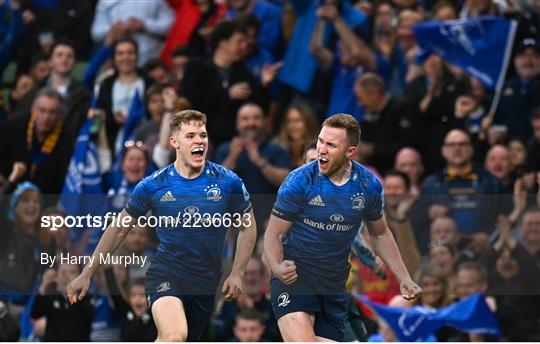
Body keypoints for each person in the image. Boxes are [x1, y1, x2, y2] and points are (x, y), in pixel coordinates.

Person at [67, 110, 257, 341]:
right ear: (174, 142)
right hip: (166, 273)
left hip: (206, 283)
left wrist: (237, 273)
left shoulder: (228, 181)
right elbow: (118, 229)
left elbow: (248, 225)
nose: (199, 141)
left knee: (174, 339)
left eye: (203, 135)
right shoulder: (152, 185)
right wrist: (87, 274)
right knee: (176, 335)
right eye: (190, 136)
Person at [263, 114, 421, 341]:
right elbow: (274, 233)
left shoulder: (368, 185)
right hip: (296, 277)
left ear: (350, 151)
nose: (321, 150)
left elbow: (380, 233)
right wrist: (277, 267)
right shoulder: (299, 181)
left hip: (334, 285)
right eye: (320, 141)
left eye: (331, 145)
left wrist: (404, 278)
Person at [0, 87, 74, 195]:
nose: (46, 117)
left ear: (59, 114)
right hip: (10, 195)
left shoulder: (66, 139)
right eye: (42, 110)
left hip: (46, 199)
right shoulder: (13, 126)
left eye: (52, 112)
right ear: (33, 109)